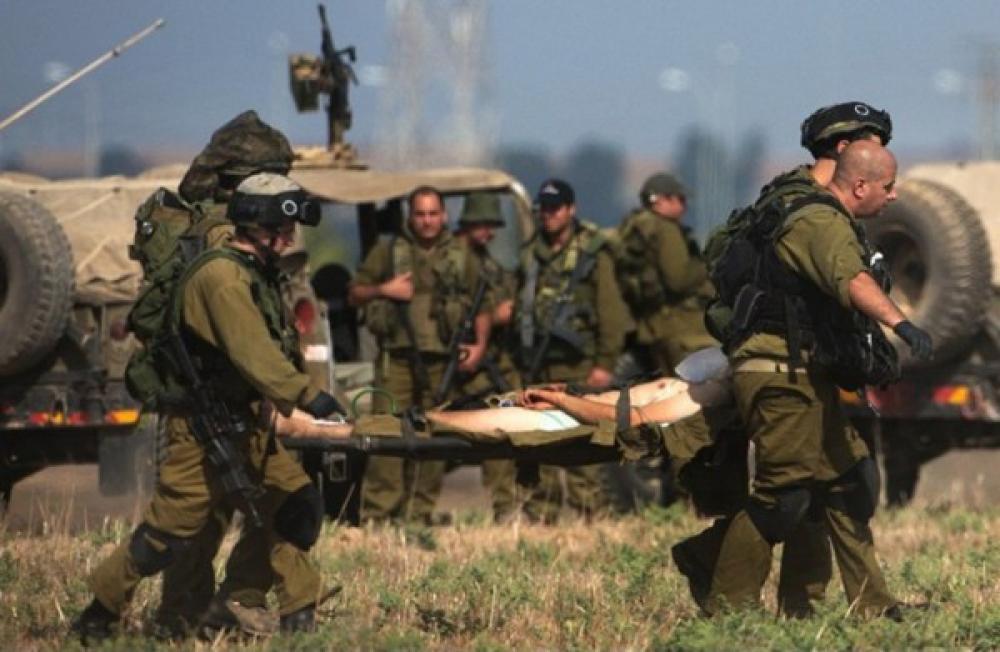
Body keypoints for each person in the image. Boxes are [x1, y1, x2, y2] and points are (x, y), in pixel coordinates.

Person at [72, 173, 344, 642]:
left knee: (294, 505)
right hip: (200, 429)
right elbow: (253, 353)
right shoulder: (221, 278)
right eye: (283, 229)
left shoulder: (252, 272)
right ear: (257, 225)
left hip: (243, 422)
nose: (290, 238)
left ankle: (296, 614)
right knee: (167, 533)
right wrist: (309, 396)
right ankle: (99, 612)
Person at [675, 100, 896, 618]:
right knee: (787, 494)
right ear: (845, 149)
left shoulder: (812, 204)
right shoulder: (808, 211)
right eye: (873, 147)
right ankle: (725, 597)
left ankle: (854, 607)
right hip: (780, 366)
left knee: (846, 483)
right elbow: (847, 279)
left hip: (811, 366)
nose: (882, 161)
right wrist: (899, 323)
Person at [350, 186, 492, 524]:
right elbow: (355, 294)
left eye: (433, 214)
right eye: (420, 214)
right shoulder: (387, 252)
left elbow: (483, 305)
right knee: (386, 435)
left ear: (444, 216)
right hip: (396, 360)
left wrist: (479, 345)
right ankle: (378, 515)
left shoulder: (462, 256)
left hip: (441, 362)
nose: (427, 221)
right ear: (410, 217)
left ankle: (418, 514)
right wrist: (384, 289)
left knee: (433, 438)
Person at [515, 179, 630, 522]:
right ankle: (542, 516)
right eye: (544, 209)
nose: (548, 215)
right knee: (540, 442)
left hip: (581, 364)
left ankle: (591, 515)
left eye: (556, 208)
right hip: (539, 363)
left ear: (571, 210)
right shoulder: (531, 253)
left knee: (585, 444)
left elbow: (611, 312)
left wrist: (604, 364)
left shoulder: (592, 252)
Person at [453, 192, 521, 521]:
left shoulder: (488, 264)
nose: (489, 232)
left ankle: (505, 507)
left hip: (488, 361)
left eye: (492, 225)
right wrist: (494, 317)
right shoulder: (452, 259)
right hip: (453, 359)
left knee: (502, 426)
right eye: (483, 224)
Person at [616, 172, 716, 374]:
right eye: (680, 199)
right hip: (680, 327)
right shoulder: (665, 229)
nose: (684, 206)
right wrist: (707, 264)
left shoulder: (636, 227)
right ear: (661, 200)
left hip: (651, 325)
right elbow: (678, 279)